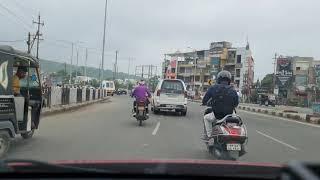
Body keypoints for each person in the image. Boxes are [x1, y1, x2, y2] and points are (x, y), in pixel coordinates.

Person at [201, 70, 239, 140]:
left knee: (206, 118)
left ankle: (209, 136)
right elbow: (236, 103)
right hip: (229, 115)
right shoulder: (233, 90)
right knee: (236, 121)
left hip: (217, 115)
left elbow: (205, 99)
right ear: (229, 80)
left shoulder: (213, 88)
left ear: (218, 79)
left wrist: (204, 103)